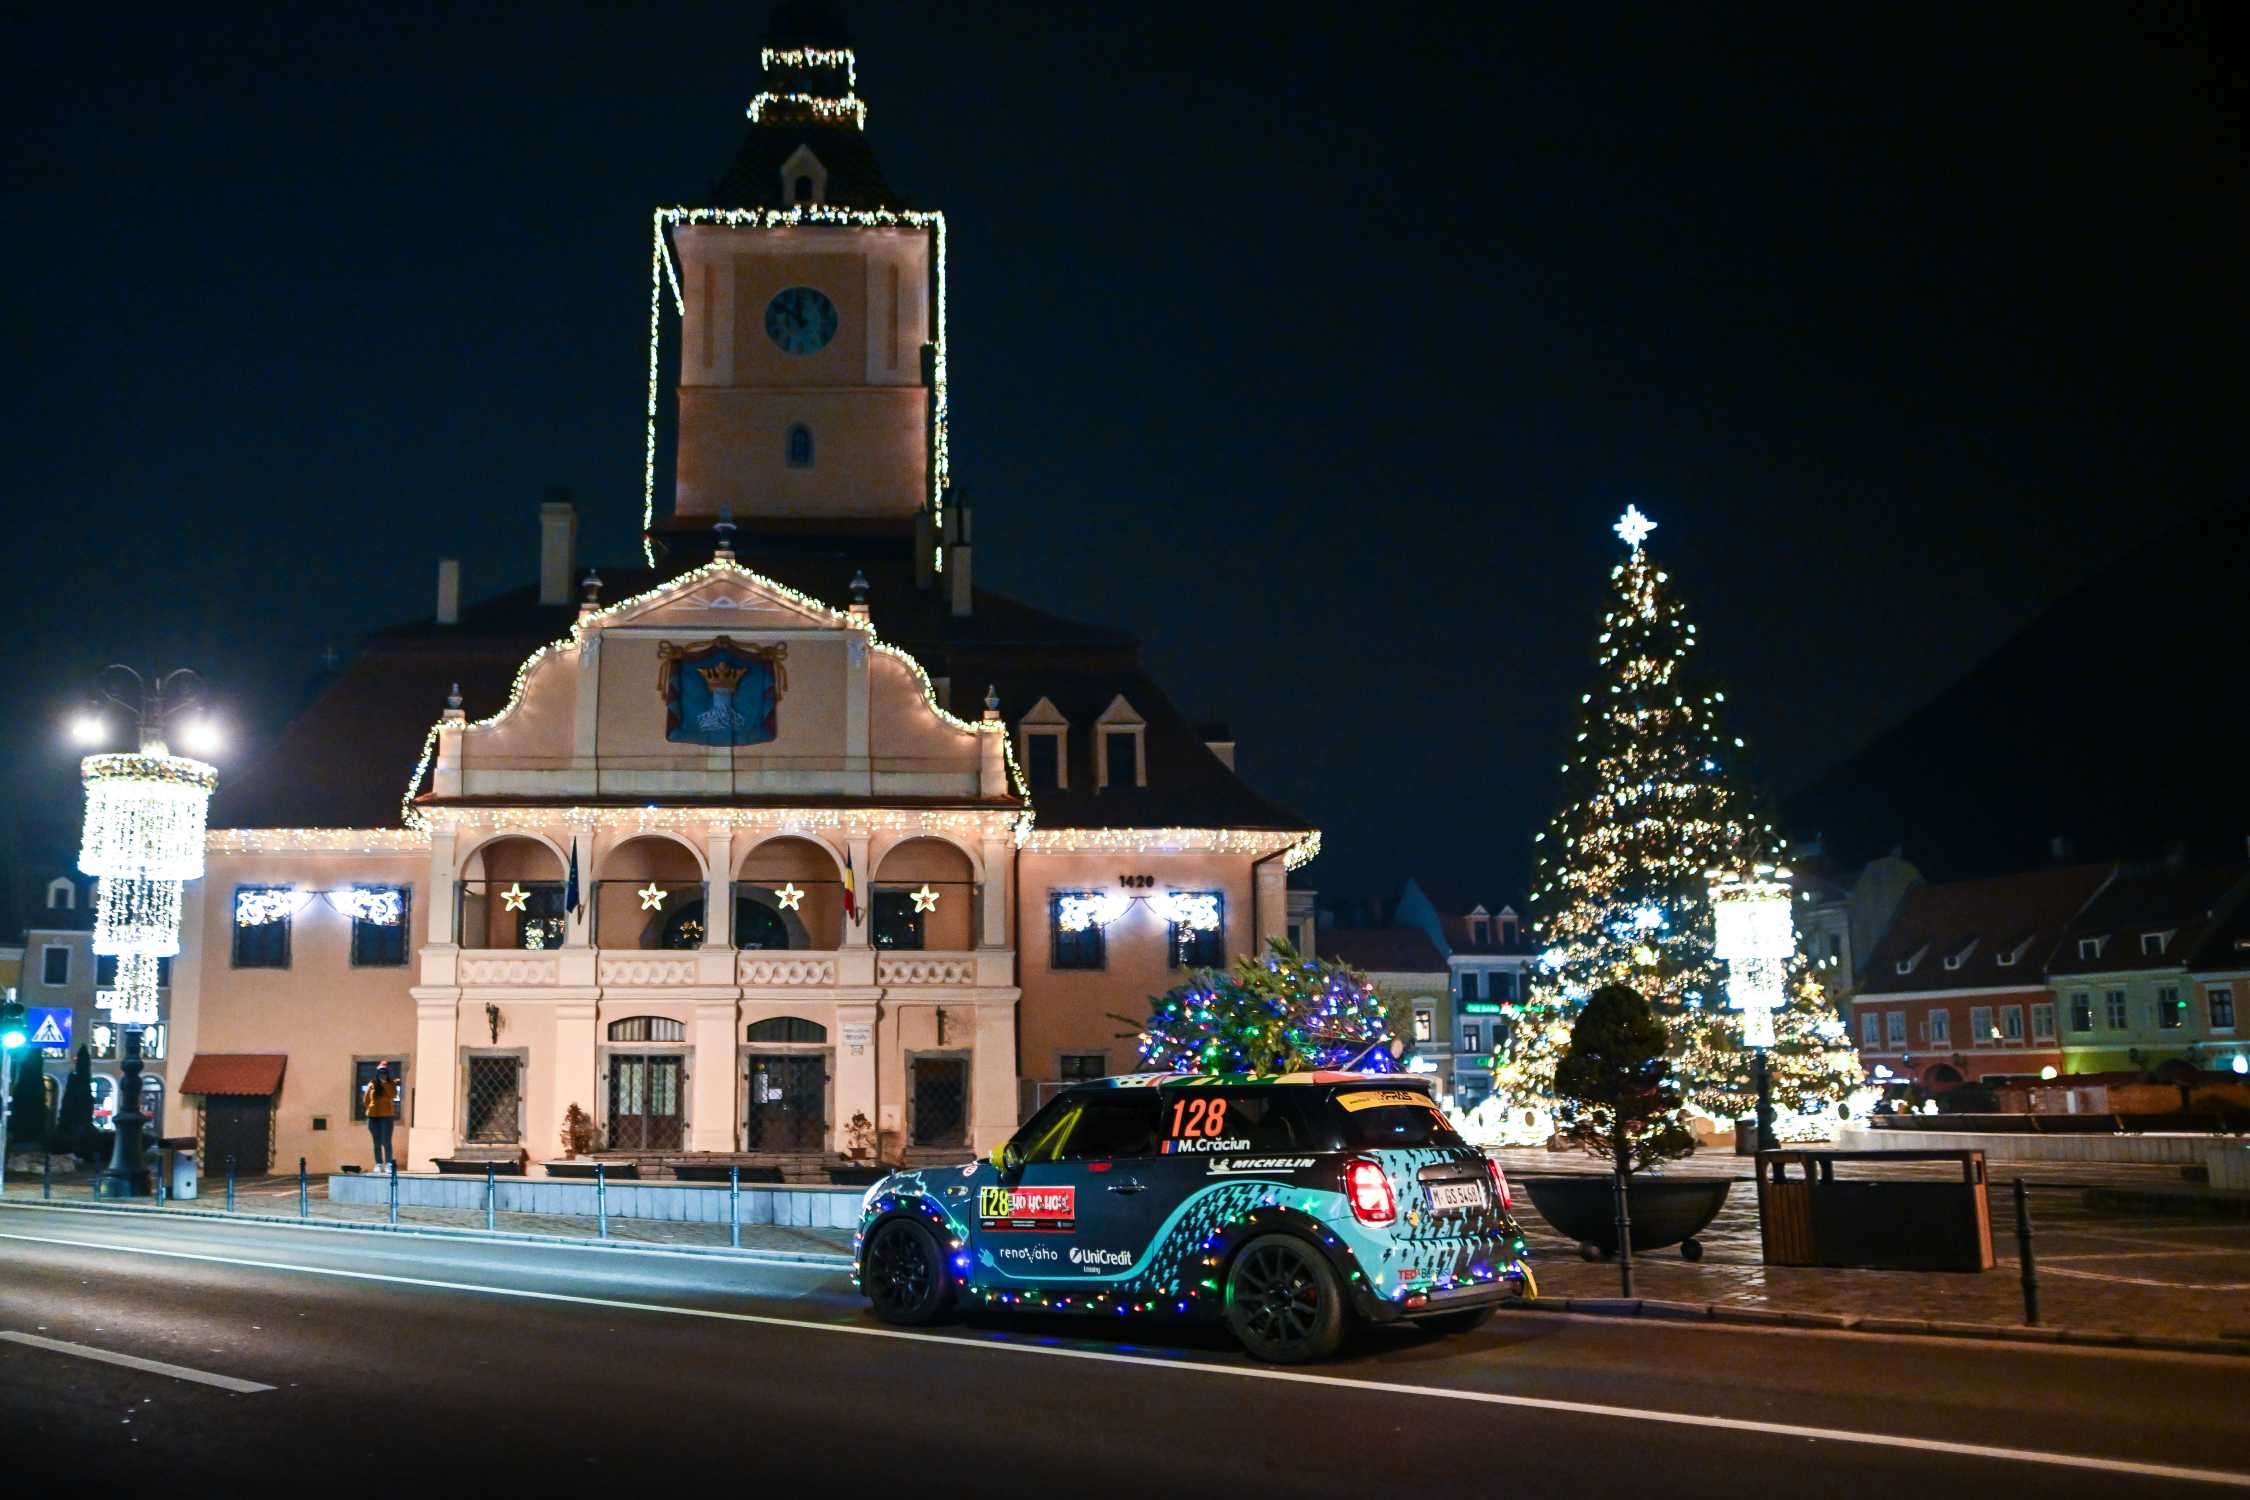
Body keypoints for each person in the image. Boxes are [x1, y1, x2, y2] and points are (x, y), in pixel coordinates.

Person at [363, 1062, 400, 1170]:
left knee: (386, 1141)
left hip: (386, 1116)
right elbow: (366, 1100)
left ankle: (389, 1163)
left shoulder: (391, 1084)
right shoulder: (372, 1084)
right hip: (373, 1116)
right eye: (380, 1072)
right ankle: (378, 1163)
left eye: (384, 1072)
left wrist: (384, 1083)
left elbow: (393, 1095)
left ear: (387, 1073)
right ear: (377, 1073)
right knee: (376, 1142)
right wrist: (371, 1108)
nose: (382, 1074)